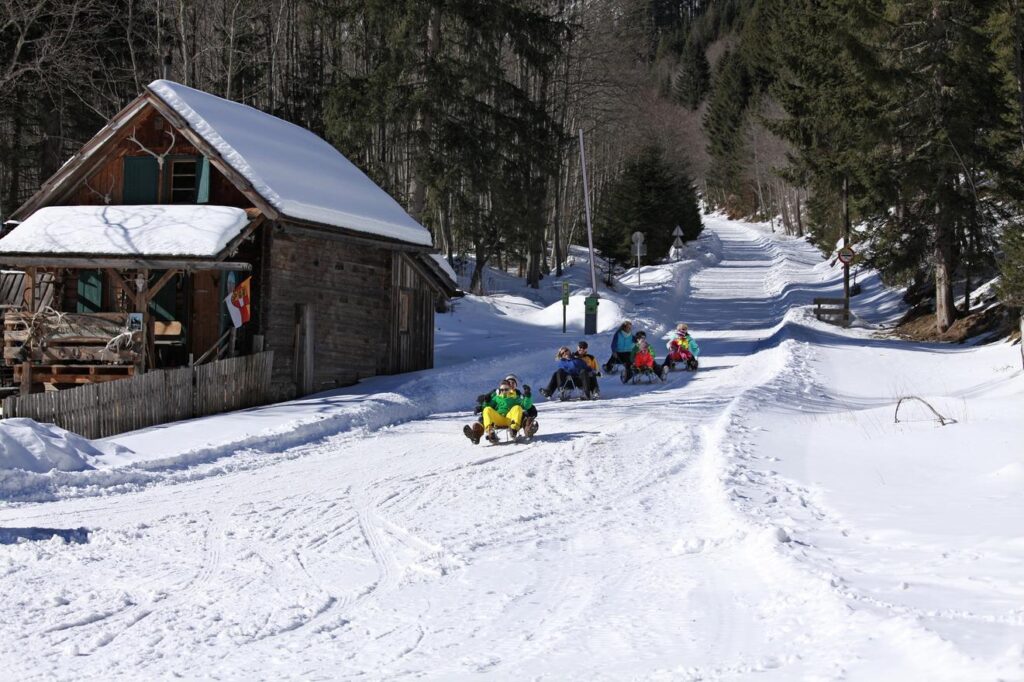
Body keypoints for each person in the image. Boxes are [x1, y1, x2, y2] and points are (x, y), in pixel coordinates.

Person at [464, 378, 535, 444]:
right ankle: (490, 432)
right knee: (487, 409)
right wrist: (485, 401)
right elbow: (487, 407)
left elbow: (526, 406)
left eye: (506, 389)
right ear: (500, 390)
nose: (504, 391)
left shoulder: (515, 398)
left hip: (509, 419)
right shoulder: (496, 398)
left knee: (517, 407)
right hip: (498, 419)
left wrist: (528, 396)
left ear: (509, 389)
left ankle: (513, 430)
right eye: (502, 389)